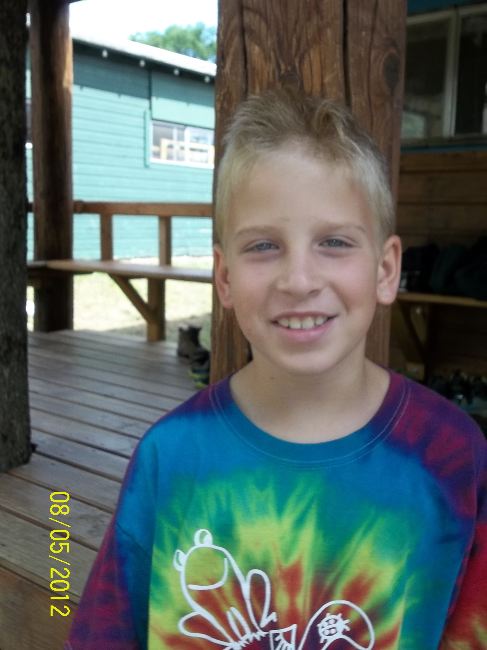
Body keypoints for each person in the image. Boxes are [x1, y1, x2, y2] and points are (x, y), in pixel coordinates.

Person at [65, 89, 486, 649]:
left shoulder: (451, 455)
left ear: (386, 270)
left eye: (334, 241)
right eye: (264, 246)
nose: (299, 280)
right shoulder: (171, 457)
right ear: (225, 278)